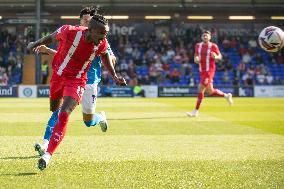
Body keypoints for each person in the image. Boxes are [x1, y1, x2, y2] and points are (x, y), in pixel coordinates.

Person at [27, 13, 126, 170]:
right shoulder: (69, 32)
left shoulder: (102, 42)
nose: (103, 36)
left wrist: (114, 75)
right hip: (60, 77)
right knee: (55, 109)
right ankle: (48, 143)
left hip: (84, 81)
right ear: (87, 26)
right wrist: (37, 44)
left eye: (105, 34)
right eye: (85, 20)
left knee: (70, 114)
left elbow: (108, 56)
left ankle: (47, 152)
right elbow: (58, 47)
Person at [187, 30, 233, 117]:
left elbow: (220, 56)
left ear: (210, 37)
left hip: (209, 71)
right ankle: (226, 95)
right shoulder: (198, 46)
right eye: (204, 35)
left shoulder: (213, 46)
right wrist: (196, 59)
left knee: (200, 88)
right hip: (202, 71)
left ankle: (195, 111)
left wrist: (216, 56)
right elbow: (196, 56)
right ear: (201, 37)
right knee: (210, 91)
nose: (205, 37)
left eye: (206, 36)